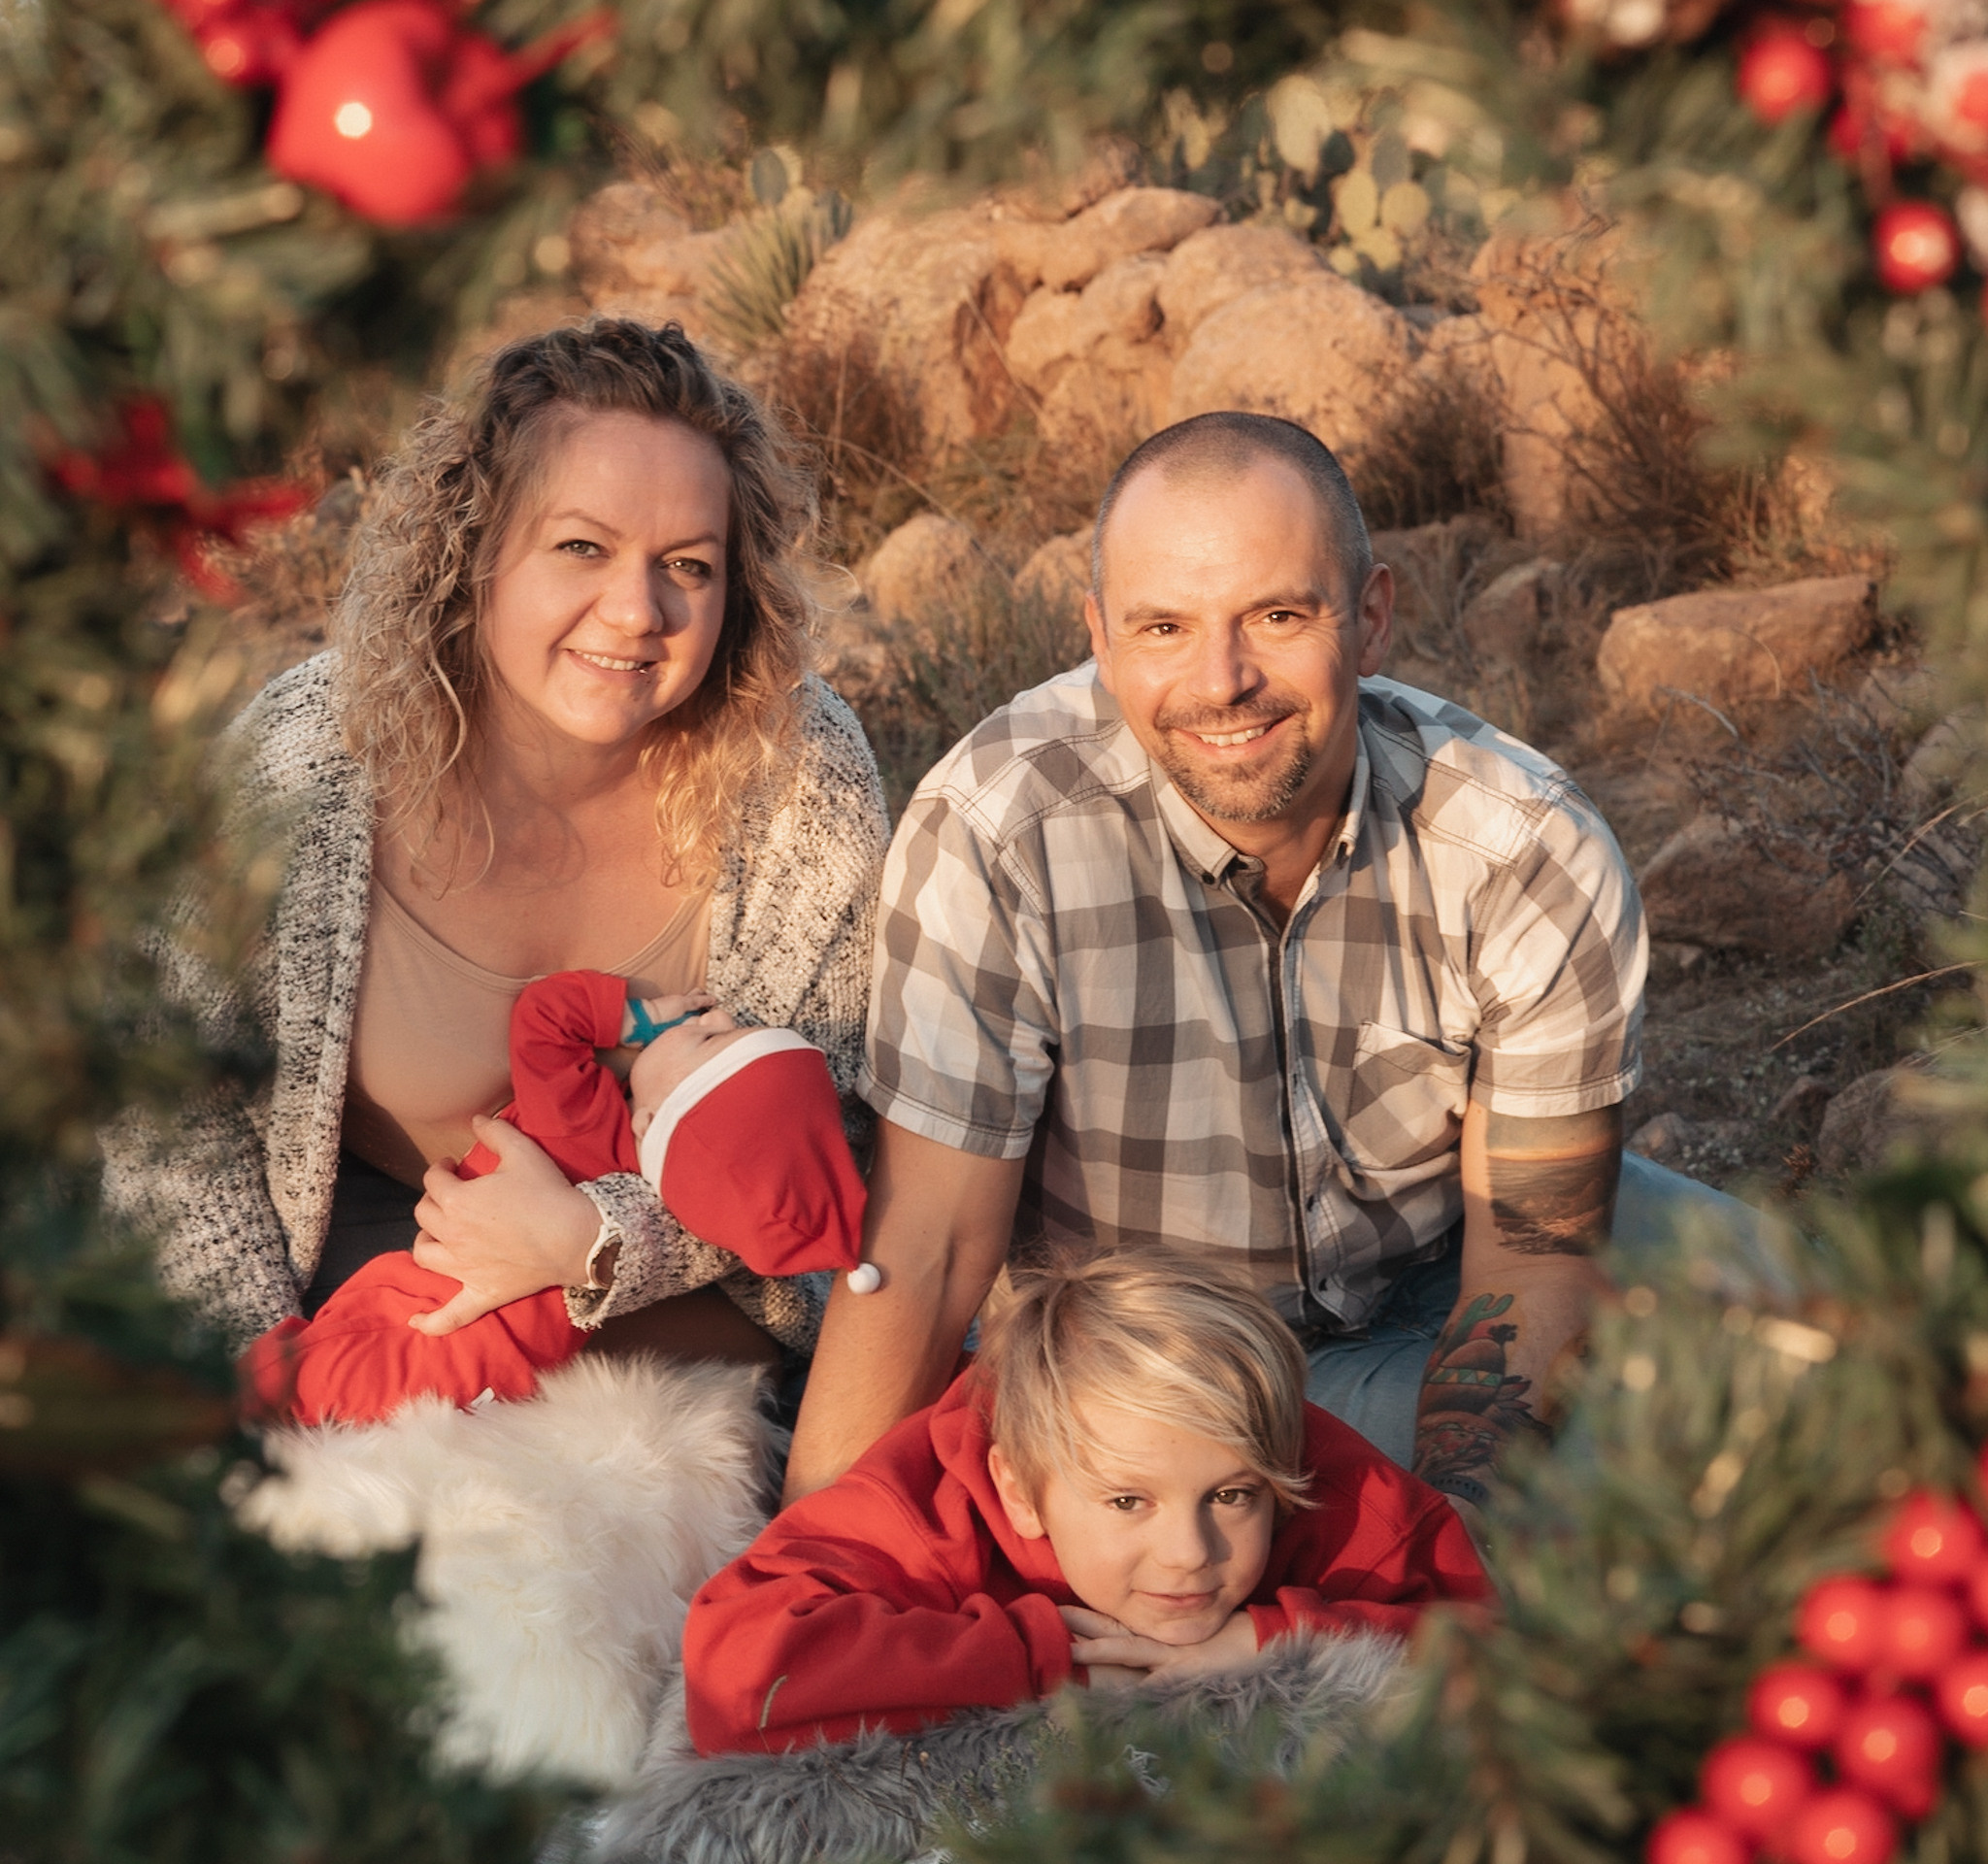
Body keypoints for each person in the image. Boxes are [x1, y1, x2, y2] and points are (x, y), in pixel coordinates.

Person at [786, 409, 1717, 1514]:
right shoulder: (999, 833)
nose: (1222, 680)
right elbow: (931, 1249)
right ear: (1099, 634)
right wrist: (809, 1571)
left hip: (1447, 1264)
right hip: (1159, 1363)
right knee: (1644, 1479)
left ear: (1369, 620)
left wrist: (1455, 1544)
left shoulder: (1521, 844)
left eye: (1276, 614)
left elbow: (1531, 1256)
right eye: (1163, 627)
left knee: (1834, 1361)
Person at [103, 317, 888, 1379]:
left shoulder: (795, 769)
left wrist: (599, 1239)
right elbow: (166, 1099)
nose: (635, 609)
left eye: (688, 566)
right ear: (474, 550)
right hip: (378, 1336)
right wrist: (261, 1410)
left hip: (693, 1358)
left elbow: (838, 1138)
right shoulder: (307, 758)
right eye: (580, 546)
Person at [683, 1248, 1489, 1753]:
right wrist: (1049, 1661)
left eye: (1234, 1495)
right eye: (1128, 1502)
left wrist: (1279, 1644)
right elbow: (735, 1671)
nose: (1190, 1553)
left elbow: (1504, 1649)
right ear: (1019, 1491)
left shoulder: (1334, 1490)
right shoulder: (927, 1509)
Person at [242, 980, 873, 1426]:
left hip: (429, 1318)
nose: (716, 1017)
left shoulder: (580, 1117)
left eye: (709, 1042)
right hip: (509, 1372)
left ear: (652, 1122)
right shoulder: (687, 1202)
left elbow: (544, 1016)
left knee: (294, 1382)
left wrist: (638, 1019)